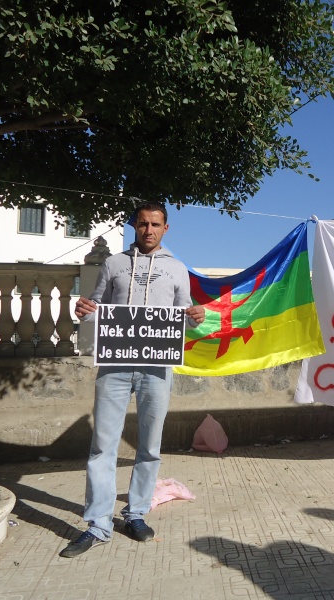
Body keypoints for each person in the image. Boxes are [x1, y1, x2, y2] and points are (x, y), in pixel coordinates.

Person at [60, 201, 205, 558]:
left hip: (157, 369)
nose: (149, 231)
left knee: (150, 446)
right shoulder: (113, 264)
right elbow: (96, 309)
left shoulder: (177, 269)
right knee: (102, 446)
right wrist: (83, 311)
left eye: (156, 225)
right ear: (134, 226)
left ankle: (136, 514)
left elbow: (186, 317)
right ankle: (97, 524)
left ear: (166, 228)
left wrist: (196, 316)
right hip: (115, 367)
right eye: (142, 224)